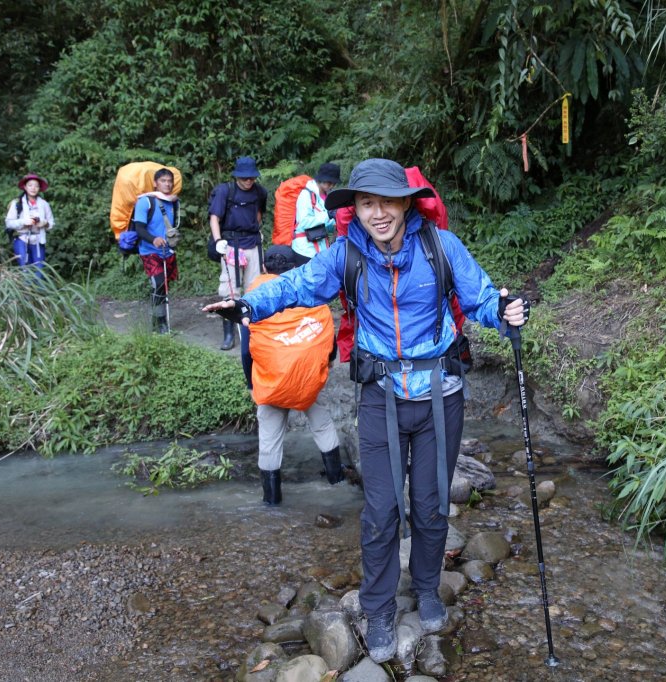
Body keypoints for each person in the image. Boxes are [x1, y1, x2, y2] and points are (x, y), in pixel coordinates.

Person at [203, 158, 528, 664]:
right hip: (380, 398)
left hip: (440, 396)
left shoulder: (441, 247)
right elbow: (297, 285)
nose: (378, 213)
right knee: (380, 511)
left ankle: (426, 588)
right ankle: (378, 609)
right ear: (354, 208)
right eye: (367, 203)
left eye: (387, 202)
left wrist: (506, 313)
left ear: (406, 203)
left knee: (431, 504)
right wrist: (249, 306)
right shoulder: (346, 254)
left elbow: (482, 299)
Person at [237, 245, 347, 505]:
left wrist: (251, 385)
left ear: (264, 268)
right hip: (307, 380)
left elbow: (246, 351)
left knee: (269, 440)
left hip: (272, 382)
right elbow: (327, 335)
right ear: (295, 268)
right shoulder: (310, 294)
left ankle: (272, 501)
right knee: (322, 423)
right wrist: (327, 362)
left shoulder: (254, 299)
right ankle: (338, 482)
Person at [209, 156, 268, 350]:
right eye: (244, 177)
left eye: (252, 177)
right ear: (236, 176)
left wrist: (255, 230)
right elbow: (214, 218)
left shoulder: (259, 192)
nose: (249, 180)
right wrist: (218, 241)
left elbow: (259, 214)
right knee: (230, 289)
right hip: (231, 245)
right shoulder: (225, 191)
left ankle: (253, 331)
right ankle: (229, 334)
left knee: (254, 288)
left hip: (253, 244)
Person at [134, 168, 180, 334]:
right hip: (149, 251)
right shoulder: (145, 202)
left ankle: (157, 320)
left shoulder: (173, 201)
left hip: (167, 251)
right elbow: (139, 228)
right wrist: (153, 239)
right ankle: (160, 323)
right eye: (163, 181)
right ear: (155, 183)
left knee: (163, 285)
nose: (167, 184)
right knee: (159, 283)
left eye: (169, 181)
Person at [291, 162, 341, 264]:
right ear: (321, 178)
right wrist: (328, 215)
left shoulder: (327, 196)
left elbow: (327, 224)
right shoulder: (306, 195)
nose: (332, 185)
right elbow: (304, 222)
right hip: (305, 250)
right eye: (329, 182)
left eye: (334, 183)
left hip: (321, 248)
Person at [4, 173, 54, 272]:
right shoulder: (17, 203)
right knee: (25, 270)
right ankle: (25, 283)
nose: (33, 188)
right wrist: (24, 222)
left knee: (39, 271)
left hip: (38, 240)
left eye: (36, 186)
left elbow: (51, 223)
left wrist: (44, 223)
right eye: (30, 185)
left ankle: (38, 283)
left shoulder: (44, 204)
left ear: (39, 188)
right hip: (22, 239)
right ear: (25, 187)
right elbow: (9, 223)